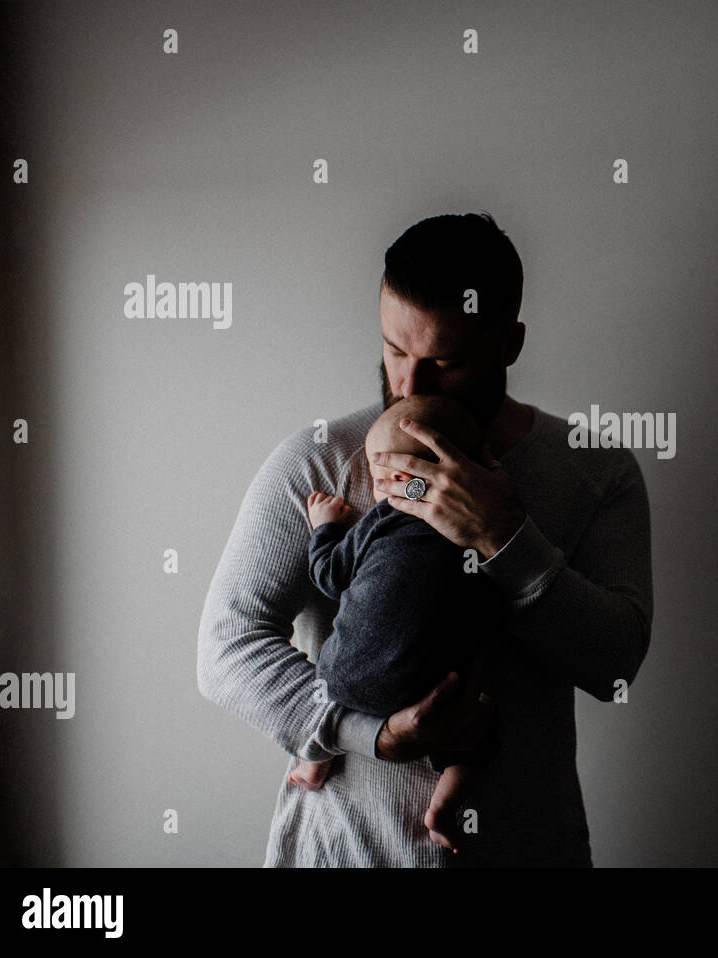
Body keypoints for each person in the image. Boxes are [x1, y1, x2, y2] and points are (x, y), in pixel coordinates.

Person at [197, 211, 653, 866]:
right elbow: (225, 647)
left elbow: (615, 667)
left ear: (510, 343)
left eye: (446, 362)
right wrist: (374, 735)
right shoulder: (319, 462)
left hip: (524, 849)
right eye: (395, 350)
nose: (409, 386)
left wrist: (503, 536)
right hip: (345, 850)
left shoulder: (594, 471)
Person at [289, 394, 505, 852]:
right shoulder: (479, 527)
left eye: (384, 474)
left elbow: (329, 576)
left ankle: (314, 758)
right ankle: (449, 797)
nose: (377, 485)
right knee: (478, 725)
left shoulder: (384, 518)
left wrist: (326, 527)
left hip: (348, 674)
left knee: (328, 699)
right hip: (436, 688)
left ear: (406, 481)